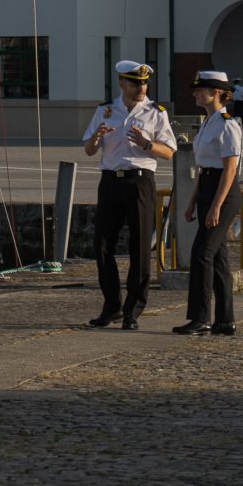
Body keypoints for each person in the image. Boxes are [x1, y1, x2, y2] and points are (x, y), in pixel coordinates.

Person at [82, 59, 176, 330]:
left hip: (139, 182)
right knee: (102, 245)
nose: (141, 87)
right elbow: (89, 150)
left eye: (145, 82)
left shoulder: (155, 112)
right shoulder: (105, 111)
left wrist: (148, 145)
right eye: (135, 83)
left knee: (139, 247)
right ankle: (112, 305)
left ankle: (133, 311)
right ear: (122, 83)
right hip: (111, 181)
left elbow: (169, 152)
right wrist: (95, 138)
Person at [176, 71, 243, 337]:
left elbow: (229, 169)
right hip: (206, 187)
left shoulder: (227, 123)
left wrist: (216, 205)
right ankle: (225, 321)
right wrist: (193, 202)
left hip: (222, 192)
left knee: (201, 253)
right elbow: (203, 167)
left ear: (215, 92)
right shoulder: (208, 122)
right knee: (217, 258)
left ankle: (200, 318)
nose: (194, 94)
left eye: (199, 89)